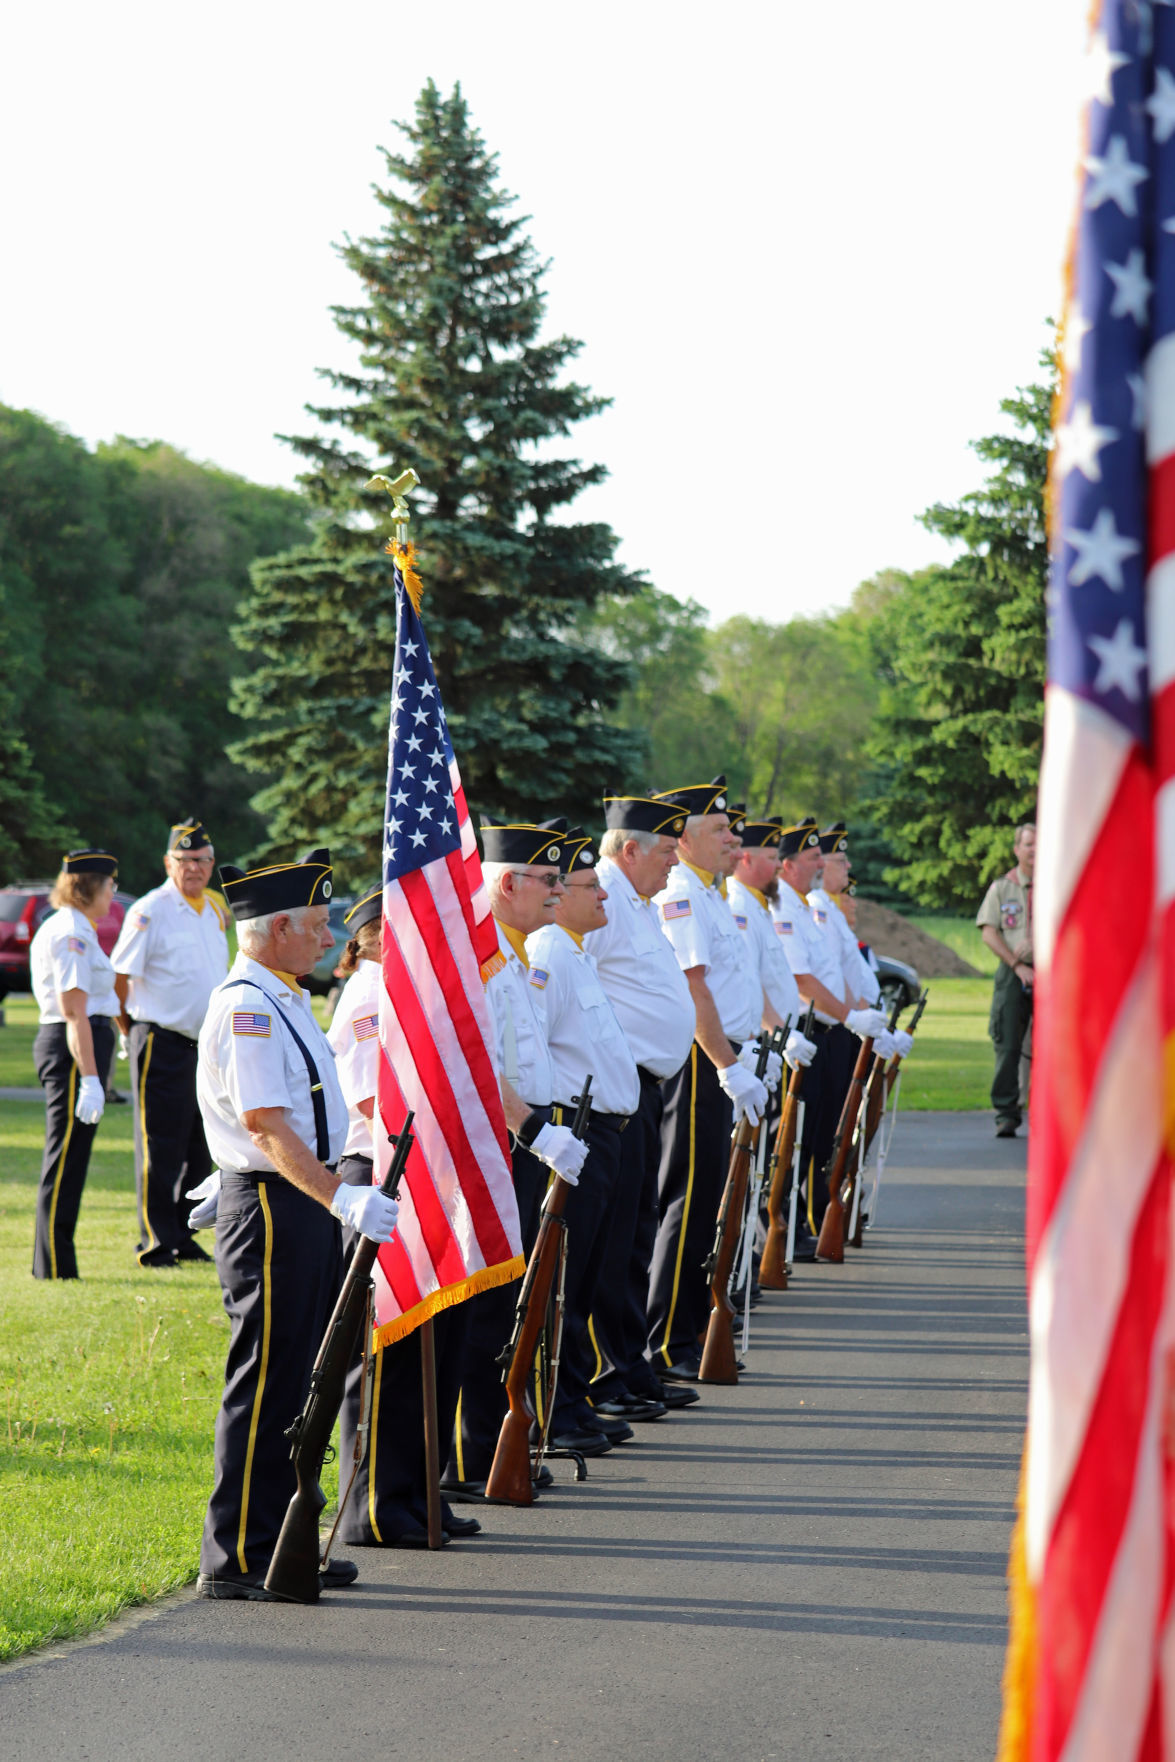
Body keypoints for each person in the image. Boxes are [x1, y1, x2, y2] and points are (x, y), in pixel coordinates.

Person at [194, 848, 400, 1601]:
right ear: (276, 928)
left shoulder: (283, 993)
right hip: (277, 1204)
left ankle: (282, 1535)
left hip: (297, 1202)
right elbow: (266, 1123)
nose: (328, 937)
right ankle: (236, 1556)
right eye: (315, 924)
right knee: (269, 1378)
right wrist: (341, 1197)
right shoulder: (248, 1004)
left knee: (302, 1378)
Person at [326, 886, 479, 1548]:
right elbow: (368, 1100)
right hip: (383, 1174)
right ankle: (378, 1504)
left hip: (425, 1172)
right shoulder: (366, 996)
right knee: (388, 1345)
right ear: (373, 938)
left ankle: (420, 1491)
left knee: (436, 1343)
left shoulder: (406, 993)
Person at [442, 821, 590, 1495]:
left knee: (517, 1303)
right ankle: (473, 1457)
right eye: (550, 880)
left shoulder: (517, 953)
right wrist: (534, 1131)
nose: (560, 892)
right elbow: (479, 1067)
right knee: (486, 1305)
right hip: (501, 1145)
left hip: (529, 1141)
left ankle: (503, 1443)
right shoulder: (479, 958)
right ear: (507, 883)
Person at [645, 776, 769, 1381]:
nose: (734, 838)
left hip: (724, 1055)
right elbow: (694, 989)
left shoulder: (709, 893)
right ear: (685, 837)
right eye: (720, 829)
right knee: (689, 1196)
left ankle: (691, 1324)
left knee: (708, 1194)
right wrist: (726, 1064)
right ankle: (668, 1339)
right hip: (702, 1059)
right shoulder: (682, 894)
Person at [526, 826, 642, 1452]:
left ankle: (575, 1395)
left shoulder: (574, 953)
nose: (603, 896)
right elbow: (535, 1051)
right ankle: (557, 1409)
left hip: (606, 1133)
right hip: (576, 1131)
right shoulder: (547, 952)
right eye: (589, 885)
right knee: (564, 1281)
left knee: (589, 1277)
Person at [583, 794, 699, 1416]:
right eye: (665, 852)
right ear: (629, 849)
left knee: (636, 1234)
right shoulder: (600, 899)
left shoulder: (641, 904)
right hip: (609, 1094)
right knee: (611, 1240)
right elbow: (578, 989)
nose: (672, 865)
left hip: (643, 1091)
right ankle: (603, 1373)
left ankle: (630, 1364)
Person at [111, 815, 230, 1268]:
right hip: (159, 1040)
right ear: (168, 862)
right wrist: (130, 1030)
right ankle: (155, 1239)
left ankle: (184, 1233)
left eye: (201, 860)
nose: (194, 868)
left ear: (212, 862)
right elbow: (120, 977)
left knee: (199, 1145)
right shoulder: (150, 910)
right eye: (185, 860)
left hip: (204, 1047)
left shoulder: (215, 909)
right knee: (159, 1144)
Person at [770, 818, 888, 1245]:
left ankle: (809, 1219)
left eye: (826, 856)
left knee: (822, 1133)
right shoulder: (789, 907)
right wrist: (854, 1017)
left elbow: (840, 976)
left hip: (829, 1029)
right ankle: (788, 1222)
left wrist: (866, 1019)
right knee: (798, 1139)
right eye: (814, 856)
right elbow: (803, 980)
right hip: (807, 1033)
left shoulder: (807, 905)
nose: (822, 863)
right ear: (787, 866)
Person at [29, 849, 121, 1280]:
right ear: (90, 887)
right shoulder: (72, 933)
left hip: (80, 1046)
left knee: (72, 1157)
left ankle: (55, 1261)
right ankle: (53, 1265)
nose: (114, 893)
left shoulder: (76, 927)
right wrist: (89, 1078)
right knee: (65, 1157)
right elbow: (74, 1012)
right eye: (109, 885)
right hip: (72, 1051)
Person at [976, 823, 1035, 1138]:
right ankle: (1006, 1113)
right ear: (1017, 849)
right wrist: (1016, 964)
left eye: (1039, 843)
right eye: (1028, 844)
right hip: (1013, 972)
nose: (1034, 849)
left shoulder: (1057, 883)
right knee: (1008, 1043)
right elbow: (988, 931)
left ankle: (1049, 1110)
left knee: (1056, 1044)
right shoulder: (1003, 888)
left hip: (1050, 972)